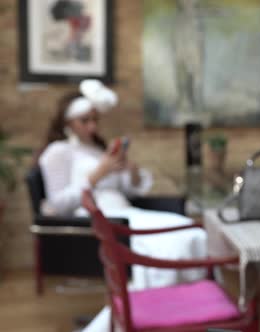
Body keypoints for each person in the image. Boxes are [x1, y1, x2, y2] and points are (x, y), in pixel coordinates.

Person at [37, 79, 207, 290]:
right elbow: (58, 204)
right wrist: (97, 175)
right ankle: (161, 305)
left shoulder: (98, 149)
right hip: (97, 220)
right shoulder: (58, 152)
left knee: (190, 230)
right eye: (84, 120)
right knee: (172, 243)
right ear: (67, 122)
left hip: (125, 212)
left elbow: (128, 189)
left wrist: (129, 169)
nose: (92, 126)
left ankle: (196, 301)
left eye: (95, 119)